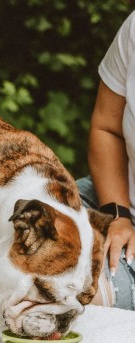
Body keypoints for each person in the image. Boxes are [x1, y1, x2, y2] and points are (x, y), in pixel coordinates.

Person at [77, 9, 135, 310]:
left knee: (79, 298)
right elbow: (107, 128)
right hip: (113, 194)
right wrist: (118, 214)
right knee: (12, 231)